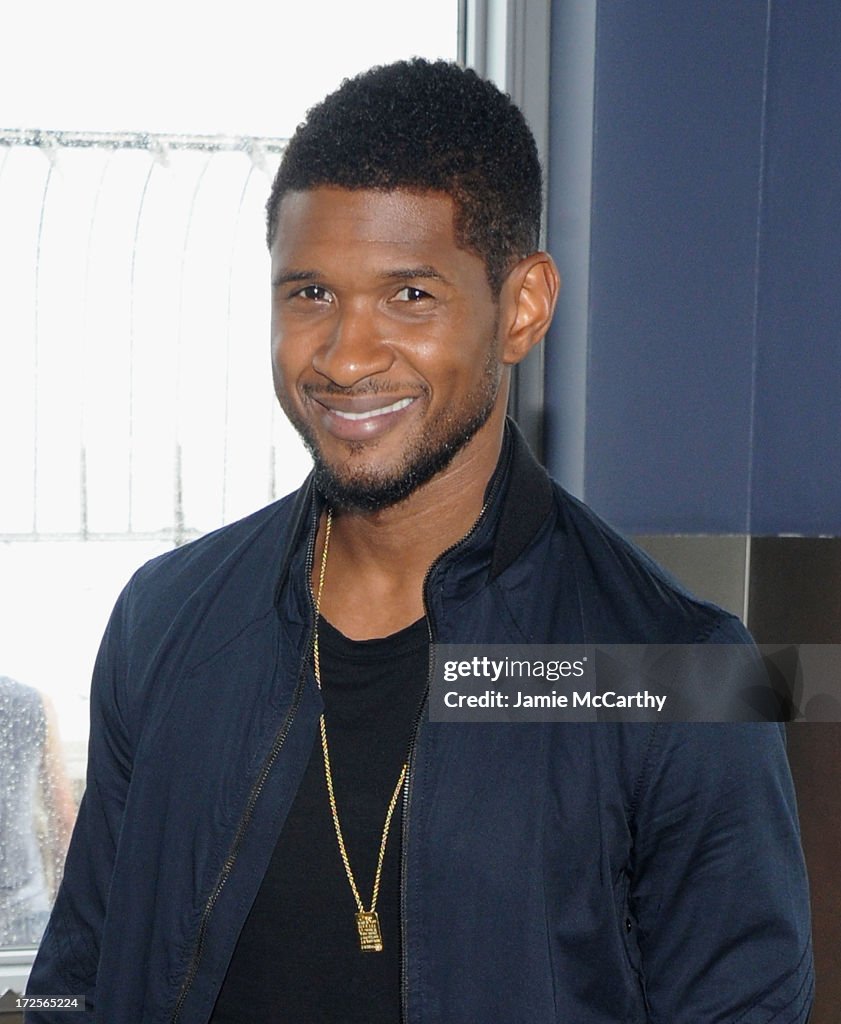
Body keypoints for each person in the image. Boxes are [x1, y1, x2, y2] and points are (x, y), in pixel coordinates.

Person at [27, 59, 813, 1022]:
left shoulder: (677, 667)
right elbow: (76, 976)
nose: (348, 357)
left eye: (410, 296)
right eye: (310, 294)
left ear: (520, 307)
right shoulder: (167, 615)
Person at [1, 676, 75, 947]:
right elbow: (63, 818)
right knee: (33, 990)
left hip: (27, 911)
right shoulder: (36, 703)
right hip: (29, 912)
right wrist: (63, 903)